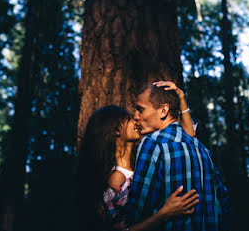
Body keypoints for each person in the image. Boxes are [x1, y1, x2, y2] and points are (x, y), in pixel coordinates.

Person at [76, 85, 199, 231]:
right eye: (128, 119)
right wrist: (164, 213)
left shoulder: (141, 162)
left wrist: (181, 99)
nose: (136, 118)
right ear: (116, 131)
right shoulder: (117, 178)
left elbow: (188, 138)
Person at [127, 81, 231, 231]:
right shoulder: (202, 149)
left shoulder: (153, 143)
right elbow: (224, 207)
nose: (135, 116)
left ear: (163, 111)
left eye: (140, 110)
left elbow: (136, 214)